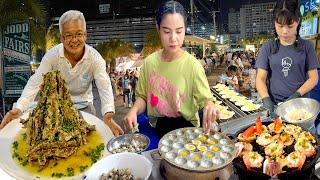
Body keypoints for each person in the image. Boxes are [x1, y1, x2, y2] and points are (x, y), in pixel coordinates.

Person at [0, 10, 124, 136]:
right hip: (57, 108)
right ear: (62, 38)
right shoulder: (52, 56)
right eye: (69, 35)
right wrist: (19, 107)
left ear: (85, 35)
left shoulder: (95, 58)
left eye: (79, 34)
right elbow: (35, 82)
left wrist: (108, 114)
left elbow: (104, 86)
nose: (74, 40)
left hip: (85, 105)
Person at [123, 1, 218, 137]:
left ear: (185, 29)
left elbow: (205, 100)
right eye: (167, 31)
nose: (173, 38)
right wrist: (134, 110)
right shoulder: (149, 63)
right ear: (158, 29)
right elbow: (143, 97)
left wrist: (209, 105)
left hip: (186, 130)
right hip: (157, 128)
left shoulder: (193, 65)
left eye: (179, 31)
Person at [256, 0, 319, 118]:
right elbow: (260, 78)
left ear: (298, 22)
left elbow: (313, 78)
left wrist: (296, 95)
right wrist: (266, 100)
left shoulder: (307, 46)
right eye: (280, 26)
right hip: (274, 105)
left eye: (290, 26)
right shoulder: (268, 47)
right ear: (274, 23)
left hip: (300, 107)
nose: (285, 31)